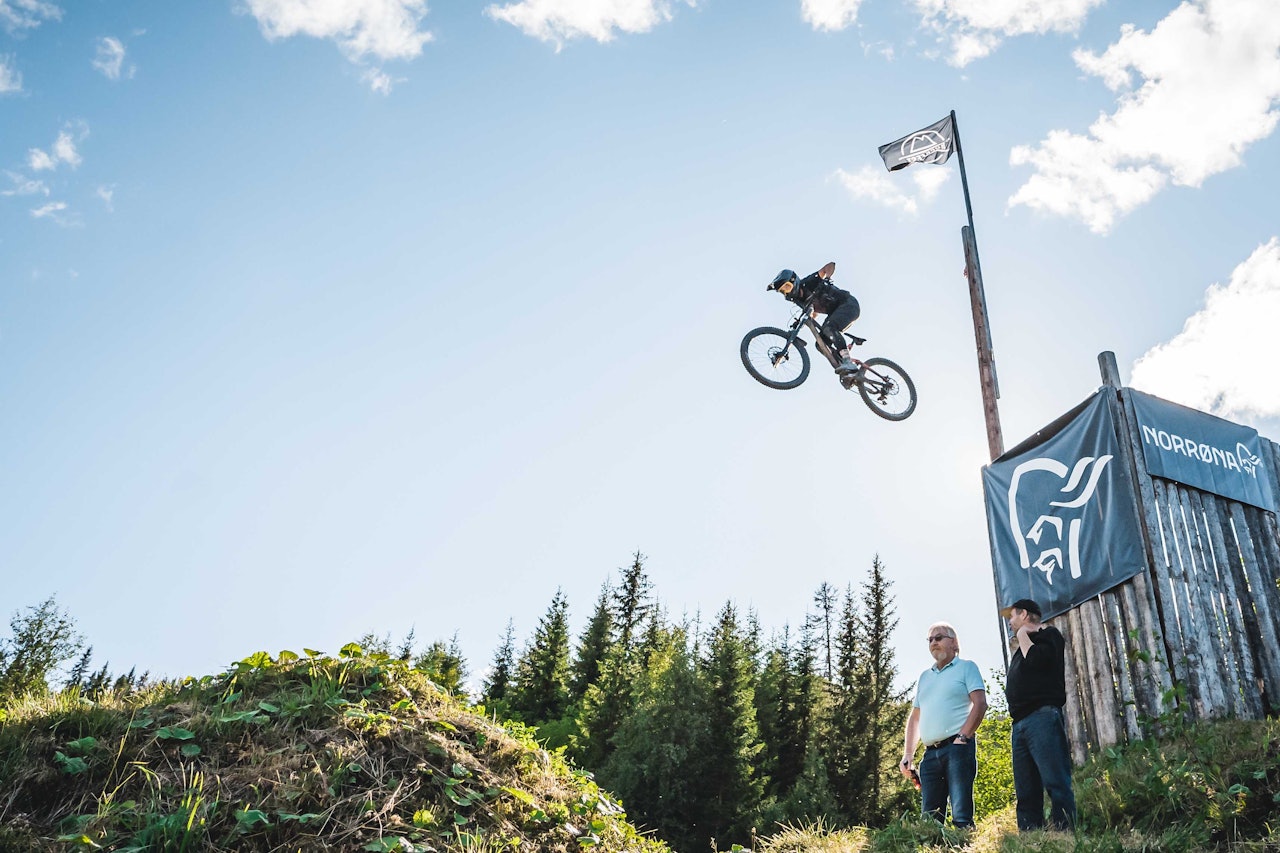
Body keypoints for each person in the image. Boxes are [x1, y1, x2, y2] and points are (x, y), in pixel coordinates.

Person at [900, 621, 988, 829]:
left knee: (961, 815)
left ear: (954, 642)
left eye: (939, 638)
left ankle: (965, 843)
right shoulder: (925, 677)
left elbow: (980, 704)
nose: (933, 643)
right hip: (930, 755)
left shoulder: (967, 667)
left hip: (957, 748)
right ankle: (934, 844)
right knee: (929, 821)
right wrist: (908, 754)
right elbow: (915, 718)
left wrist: (963, 737)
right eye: (930, 639)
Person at [1001, 598, 1077, 832]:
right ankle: (1030, 836)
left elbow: (1036, 660)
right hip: (1019, 723)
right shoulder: (1023, 646)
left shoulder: (1049, 635)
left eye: (1012, 616)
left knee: (1055, 779)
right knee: (1026, 788)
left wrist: (1023, 634)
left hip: (1042, 717)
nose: (1010, 623)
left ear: (1024, 614)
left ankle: (1065, 831)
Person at [767, 262, 862, 373]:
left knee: (829, 328)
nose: (786, 292)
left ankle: (847, 362)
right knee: (820, 344)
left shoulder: (808, 283)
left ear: (794, 281)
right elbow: (813, 313)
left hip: (849, 304)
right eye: (783, 291)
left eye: (787, 287)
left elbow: (830, 266)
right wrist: (802, 321)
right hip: (835, 312)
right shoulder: (800, 301)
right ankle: (846, 369)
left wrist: (828, 277)